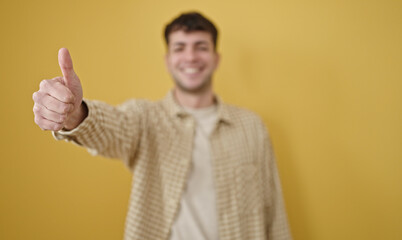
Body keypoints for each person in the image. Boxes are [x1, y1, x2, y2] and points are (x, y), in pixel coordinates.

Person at [32, 11, 292, 240]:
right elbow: (110, 127)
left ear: (216, 58)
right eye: (180, 47)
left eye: (201, 46)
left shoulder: (252, 127)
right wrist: (75, 114)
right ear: (168, 60)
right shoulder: (145, 118)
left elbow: (274, 209)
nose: (190, 56)